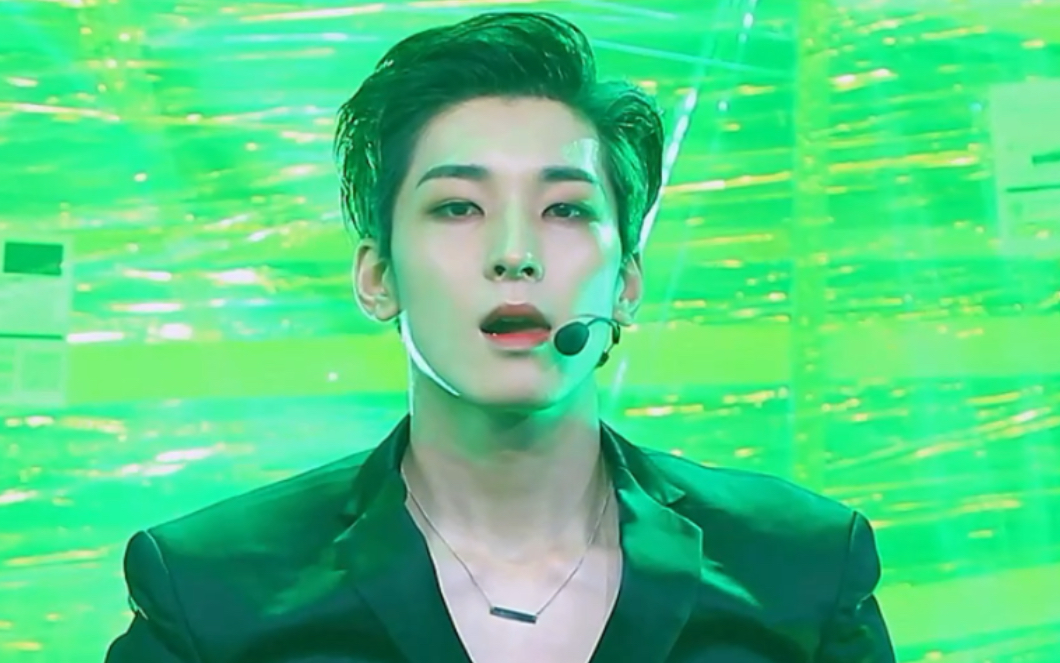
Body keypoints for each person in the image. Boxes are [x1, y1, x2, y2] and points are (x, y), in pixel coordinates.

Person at [104, 11, 895, 663]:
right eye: (458, 207)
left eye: (565, 209)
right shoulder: (212, 593)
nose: (515, 253)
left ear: (626, 283)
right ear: (377, 277)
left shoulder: (801, 570)